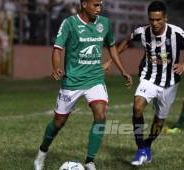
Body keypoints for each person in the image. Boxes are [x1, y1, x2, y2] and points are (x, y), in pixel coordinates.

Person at [34, 0, 133, 170]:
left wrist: (122, 69)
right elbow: (57, 49)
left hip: (95, 78)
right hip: (72, 81)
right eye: (95, 5)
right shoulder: (69, 23)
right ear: (84, 4)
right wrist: (56, 67)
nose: (99, 9)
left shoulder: (104, 23)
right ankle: (42, 153)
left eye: (101, 5)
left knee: (101, 115)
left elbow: (112, 47)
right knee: (58, 122)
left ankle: (89, 161)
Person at [105, 1, 184, 166]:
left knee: (159, 120)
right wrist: (111, 61)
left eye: (158, 20)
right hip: (149, 77)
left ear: (165, 18)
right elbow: (126, 42)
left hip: (170, 83)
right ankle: (140, 148)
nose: (154, 23)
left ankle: (147, 145)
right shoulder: (142, 32)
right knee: (137, 106)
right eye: (152, 19)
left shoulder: (177, 33)